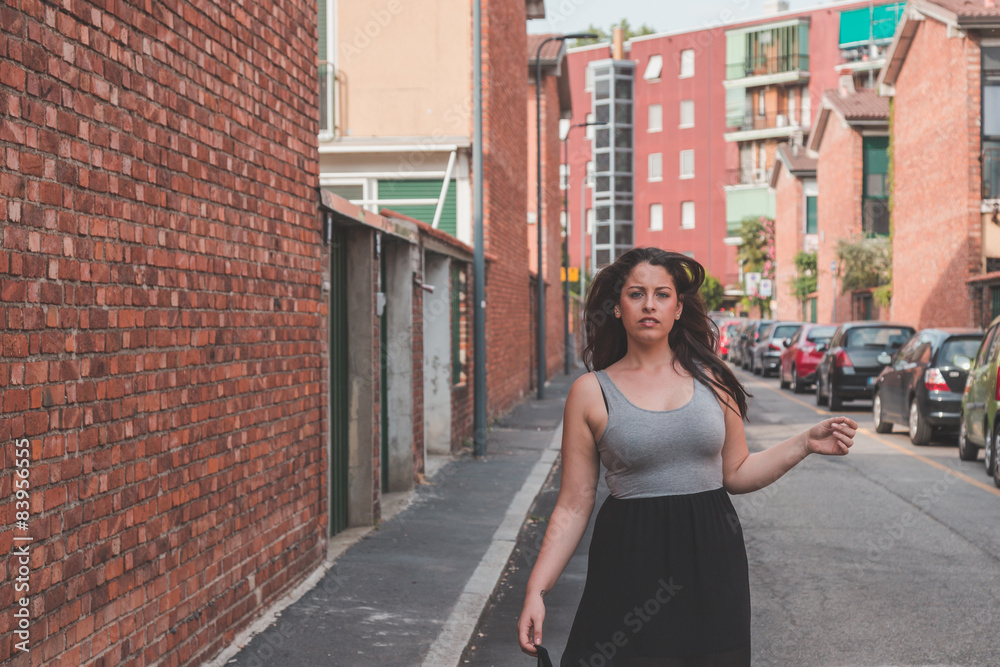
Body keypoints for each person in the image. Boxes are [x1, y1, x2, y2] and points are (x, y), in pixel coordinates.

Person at [517, 247, 857, 666]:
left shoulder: (713, 380)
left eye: (662, 294)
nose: (649, 304)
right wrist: (537, 588)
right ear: (618, 307)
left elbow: (736, 471)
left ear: (678, 309)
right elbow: (573, 504)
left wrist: (804, 443)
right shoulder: (590, 391)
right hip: (629, 558)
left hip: (712, 556)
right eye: (636, 294)